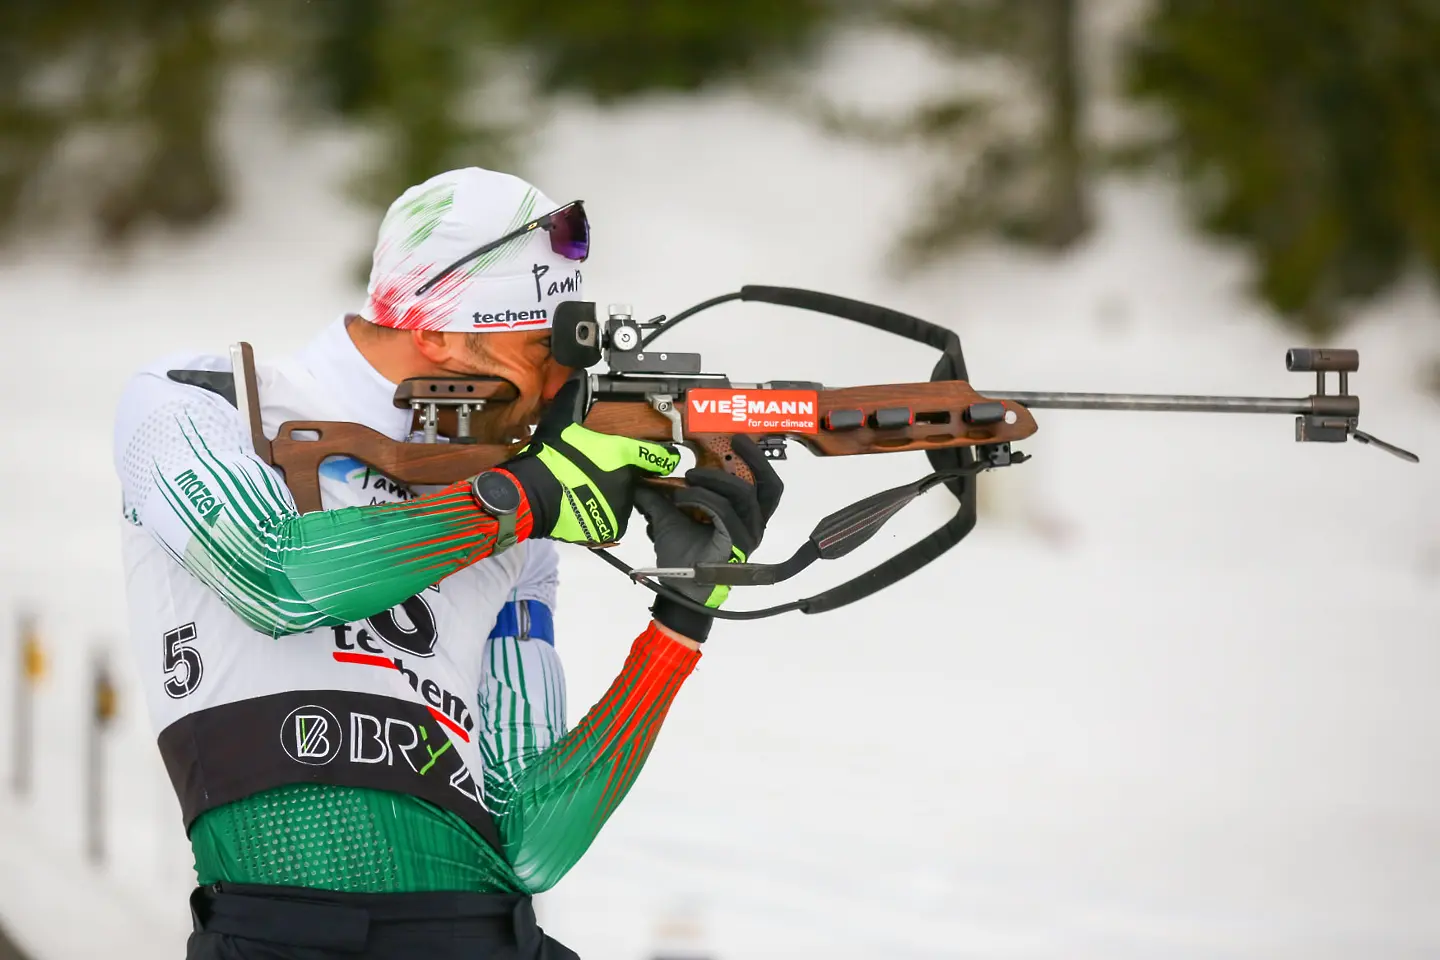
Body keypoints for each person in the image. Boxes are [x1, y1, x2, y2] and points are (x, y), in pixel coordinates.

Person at [111, 167, 784, 960]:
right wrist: (523, 497)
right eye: (545, 348)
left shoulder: (514, 519)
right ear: (436, 333)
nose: (566, 385)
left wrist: (681, 619)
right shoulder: (203, 399)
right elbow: (275, 575)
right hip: (289, 933)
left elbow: (530, 847)